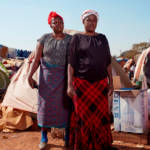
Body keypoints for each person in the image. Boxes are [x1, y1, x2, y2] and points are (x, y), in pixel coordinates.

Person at [67, 9, 114, 150]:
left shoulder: (102, 38)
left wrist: (111, 82)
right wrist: (69, 84)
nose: (92, 23)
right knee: (83, 116)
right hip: (82, 84)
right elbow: (71, 63)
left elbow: (108, 62)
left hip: (100, 84)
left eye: (95, 20)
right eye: (89, 20)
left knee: (100, 116)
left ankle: (101, 144)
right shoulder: (76, 38)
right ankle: (83, 145)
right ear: (83, 21)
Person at [27, 11, 72, 149]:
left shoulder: (70, 39)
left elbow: (74, 61)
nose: (58, 24)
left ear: (63, 24)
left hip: (64, 78)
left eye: (60, 22)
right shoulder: (44, 39)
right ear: (50, 25)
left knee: (65, 107)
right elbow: (36, 60)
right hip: (46, 79)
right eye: (55, 22)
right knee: (45, 108)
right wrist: (29, 76)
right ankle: (44, 137)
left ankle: (67, 137)